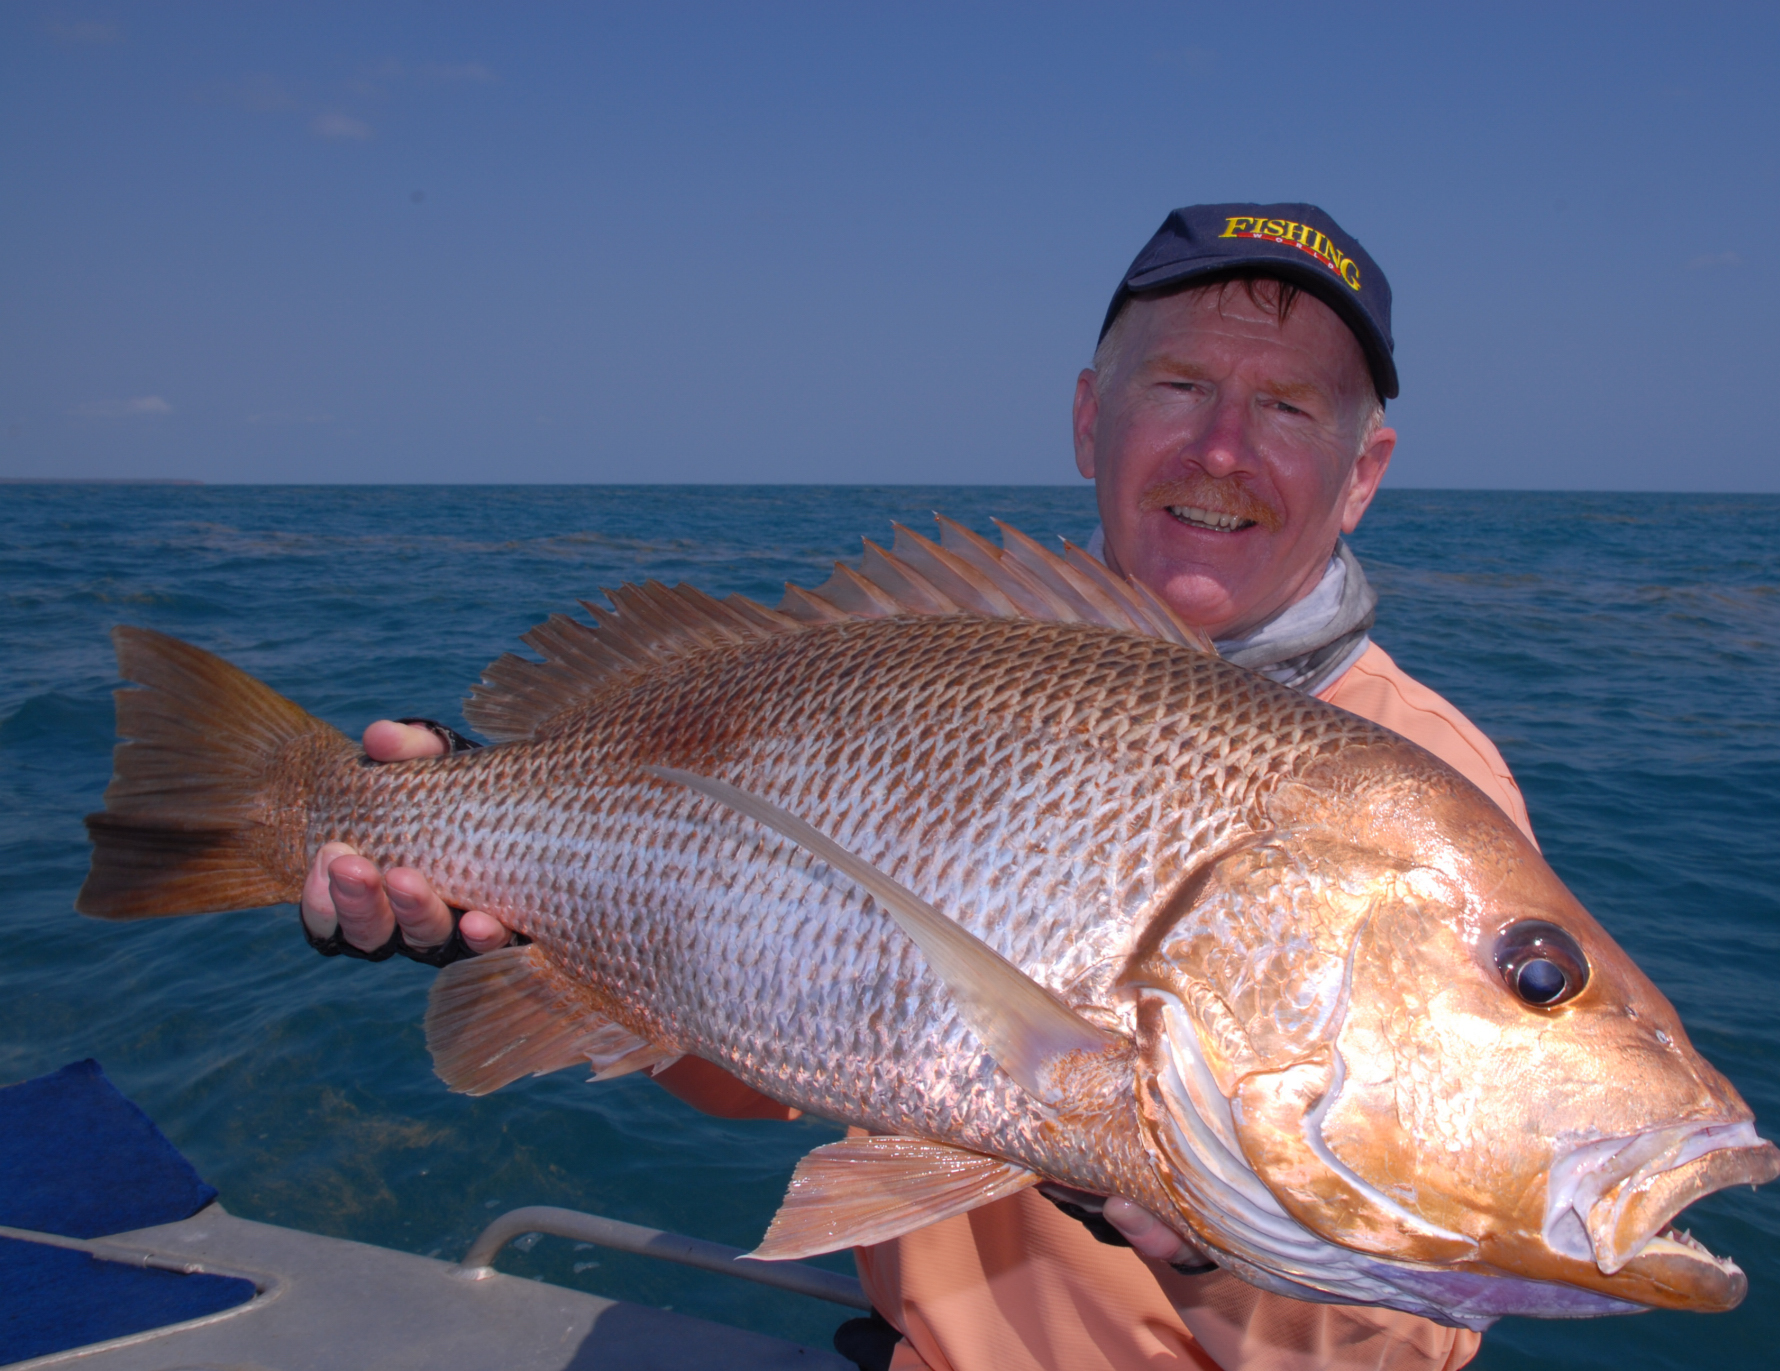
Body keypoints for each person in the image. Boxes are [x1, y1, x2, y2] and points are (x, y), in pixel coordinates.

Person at [300, 204, 1529, 1371]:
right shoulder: (952, 653)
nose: (1220, 448)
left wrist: (1215, 1251)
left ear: (1360, 471)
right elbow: (767, 1068)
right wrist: (512, 896)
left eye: (1286, 405)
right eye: (1180, 386)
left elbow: (1421, 1332)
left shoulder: (1421, 804)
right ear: (1088, 418)